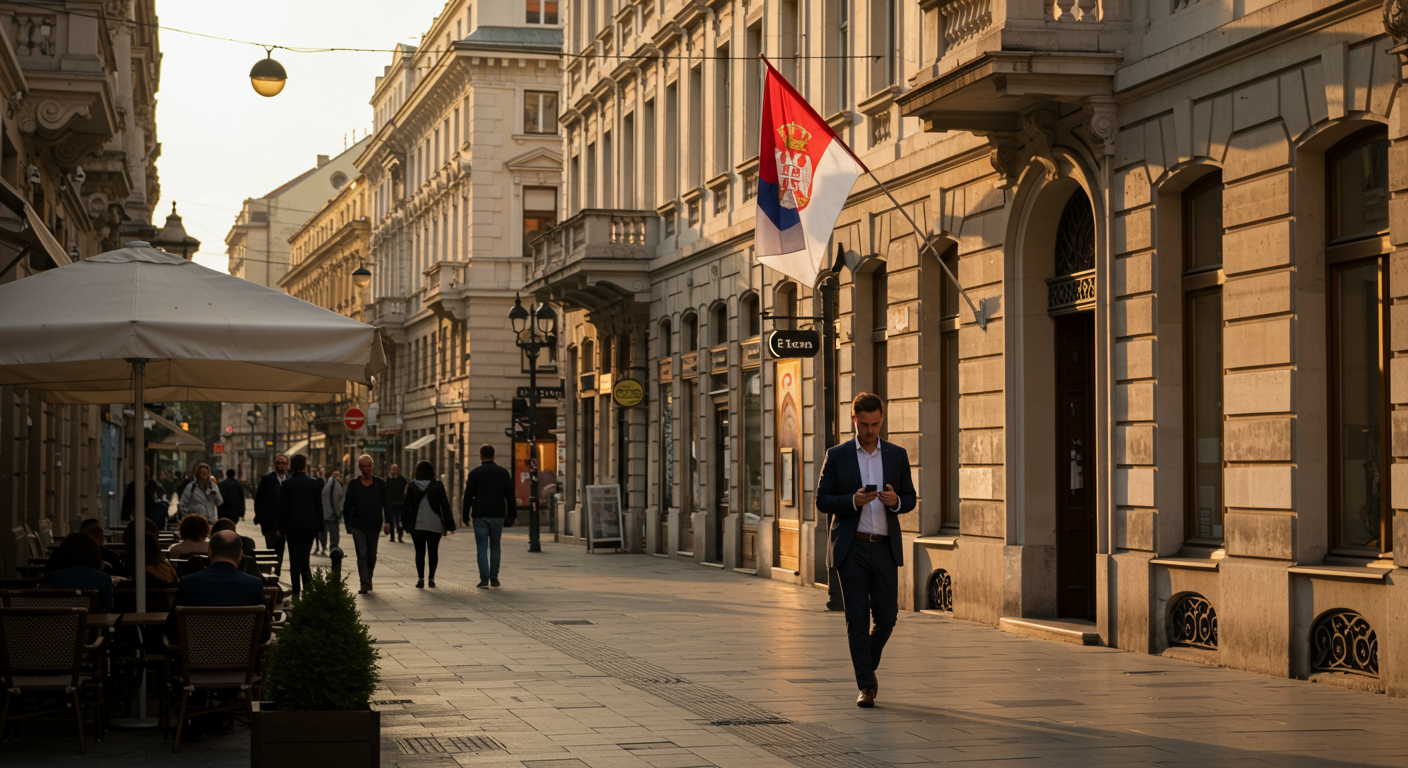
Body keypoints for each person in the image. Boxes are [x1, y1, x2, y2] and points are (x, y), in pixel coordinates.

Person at [815, 392, 916, 709]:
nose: (871, 430)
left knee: (887, 617)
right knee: (856, 618)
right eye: (865, 424)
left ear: (882, 419)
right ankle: (866, 686)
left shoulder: (896, 455)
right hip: (853, 547)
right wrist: (852, 501)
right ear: (854, 419)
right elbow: (822, 500)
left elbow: (910, 498)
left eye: (876, 424)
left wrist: (895, 502)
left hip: (885, 548)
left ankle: (865, 666)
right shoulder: (838, 455)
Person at [462, 443, 514, 589]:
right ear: (493, 455)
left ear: (481, 456)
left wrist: (465, 515)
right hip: (497, 514)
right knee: (496, 545)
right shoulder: (503, 473)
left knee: (482, 547)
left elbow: (467, 497)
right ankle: (494, 577)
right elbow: (510, 495)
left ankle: (484, 579)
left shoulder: (474, 473)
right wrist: (512, 514)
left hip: (480, 514)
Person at [277, 454, 324, 600]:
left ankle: (296, 591)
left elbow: (283, 507)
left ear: (292, 466)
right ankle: (308, 588)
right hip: (309, 527)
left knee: (294, 559)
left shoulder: (287, 484)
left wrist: (280, 526)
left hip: (292, 528)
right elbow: (318, 506)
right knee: (305, 558)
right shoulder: (314, 483)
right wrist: (321, 526)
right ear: (305, 466)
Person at [342, 454, 390, 594]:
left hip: (374, 525)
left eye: (369, 466)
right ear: (359, 467)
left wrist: (388, 522)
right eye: (363, 466)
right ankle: (363, 582)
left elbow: (386, 504)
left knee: (372, 555)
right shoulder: (354, 484)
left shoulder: (380, 484)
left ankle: (369, 578)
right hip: (358, 525)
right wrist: (348, 525)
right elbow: (347, 506)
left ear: (372, 467)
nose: (366, 469)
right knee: (362, 554)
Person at [403, 460, 456, 589]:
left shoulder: (411, 486)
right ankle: (431, 579)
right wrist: (450, 525)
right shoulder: (438, 485)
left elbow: (406, 507)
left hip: (417, 525)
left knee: (419, 552)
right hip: (435, 524)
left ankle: (420, 579)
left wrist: (405, 524)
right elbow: (445, 505)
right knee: (433, 552)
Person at [49, 532, 114, 611]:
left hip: (64, 622)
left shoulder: (54, 578)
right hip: (96, 622)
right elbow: (108, 609)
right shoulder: (105, 580)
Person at [253, 454, 289, 577]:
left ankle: (277, 573)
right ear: (275, 464)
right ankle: (269, 573)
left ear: (287, 465)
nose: (281, 465)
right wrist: (262, 519)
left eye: (284, 463)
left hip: (285, 524)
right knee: (271, 549)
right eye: (279, 462)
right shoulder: (267, 479)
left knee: (280, 550)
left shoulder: (290, 480)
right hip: (270, 523)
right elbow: (259, 500)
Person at [44, 518, 122, 575]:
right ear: (82, 534)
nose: (99, 536)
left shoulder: (112, 558)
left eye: (100, 532)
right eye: (93, 532)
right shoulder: (61, 554)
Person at [319, 469, 345, 555]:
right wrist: (338, 512)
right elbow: (335, 499)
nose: (340, 477)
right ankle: (333, 548)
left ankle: (325, 547)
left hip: (327, 512)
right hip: (332, 513)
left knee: (325, 531)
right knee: (334, 532)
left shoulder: (329, 483)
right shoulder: (334, 484)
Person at [385, 463, 408, 543]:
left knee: (399, 521)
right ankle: (392, 537)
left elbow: (405, 490)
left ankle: (400, 536)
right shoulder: (389, 479)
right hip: (391, 503)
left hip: (400, 503)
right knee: (391, 521)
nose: (394, 471)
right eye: (392, 469)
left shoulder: (402, 479)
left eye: (395, 469)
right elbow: (386, 490)